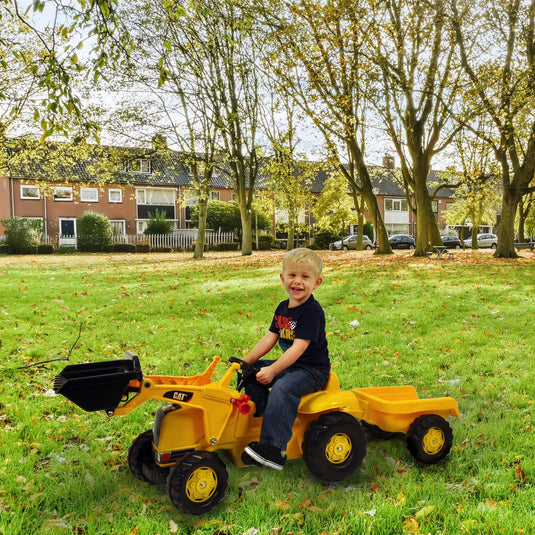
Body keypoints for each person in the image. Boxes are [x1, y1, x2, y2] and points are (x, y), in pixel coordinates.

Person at [242, 248, 330, 470]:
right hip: (293, 366)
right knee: (249, 373)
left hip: (312, 370)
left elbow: (297, 349)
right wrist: (247, 361)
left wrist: (272, 370)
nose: (297, 282)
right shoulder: (283, 308)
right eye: (292, 275)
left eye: (305, 277)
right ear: (283, 278)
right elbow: (270, 338)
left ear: (317, 283)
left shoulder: (312, 311)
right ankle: (264, 415)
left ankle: (273, 449)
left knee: (283, 388)